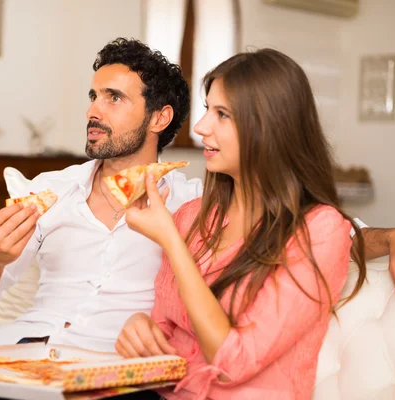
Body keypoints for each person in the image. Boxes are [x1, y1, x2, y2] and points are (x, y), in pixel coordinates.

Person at [0, 38, 395, 400]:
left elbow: (306, 228)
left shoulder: (188, 200)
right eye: (93, 96)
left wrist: (389, 237)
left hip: (100, 373)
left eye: (113, 99)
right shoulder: (54, 190)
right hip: (7, 348)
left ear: (158, 117)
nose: (93, 111)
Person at [115, 48, 371, 399]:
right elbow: (166, 330)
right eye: (207, 109)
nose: (201, 127)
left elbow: (231, 364)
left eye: (222, 114)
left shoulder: (320, 231)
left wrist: (172, 242)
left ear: (269, 126)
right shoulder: (192, 216)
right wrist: (141, 330)